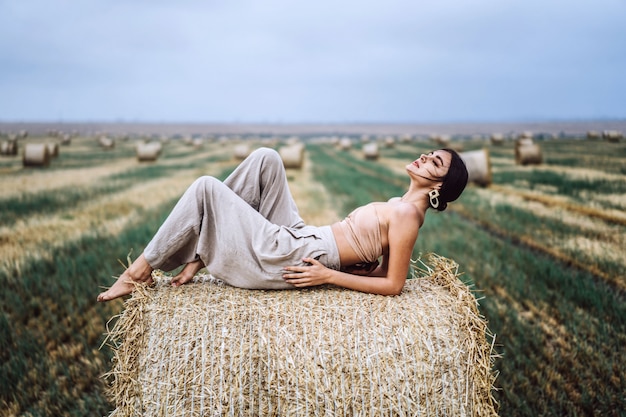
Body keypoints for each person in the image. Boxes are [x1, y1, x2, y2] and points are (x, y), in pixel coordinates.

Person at [97, 146, 467, 302]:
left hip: (298, 254)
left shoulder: (407, 215)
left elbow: (394, 283)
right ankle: (198, 249)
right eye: (430, 154)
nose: (425, 157)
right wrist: (358, 262)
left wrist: (331, 275)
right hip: (304, 235)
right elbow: (381, 268)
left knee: (206, 188)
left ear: (439, 187)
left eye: (434, 163)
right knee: (267, 159)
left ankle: (138, 271)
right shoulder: (398, 205)